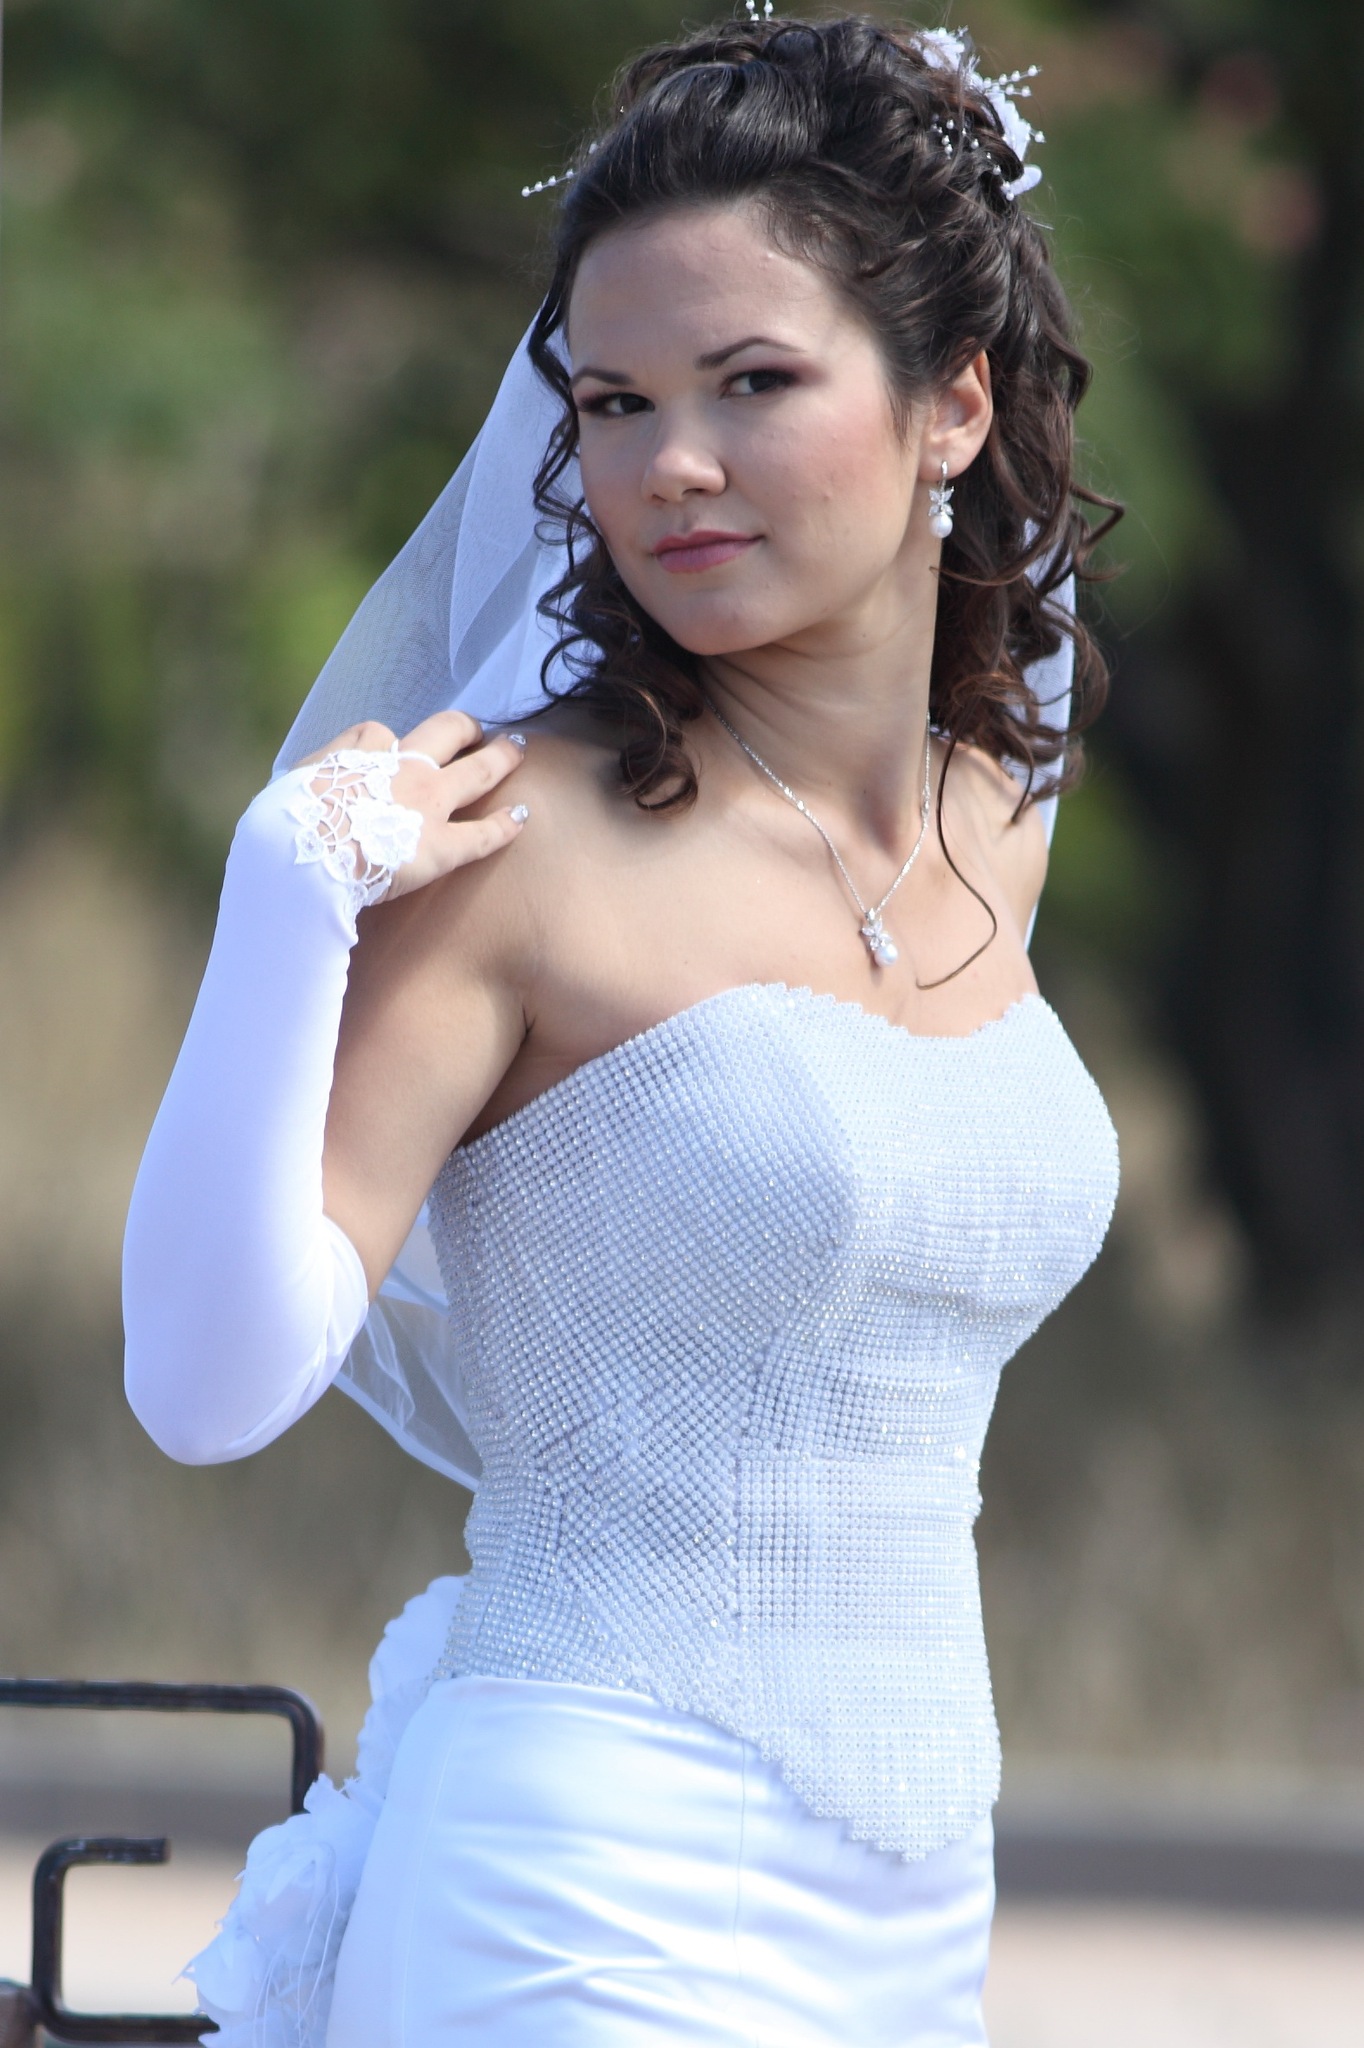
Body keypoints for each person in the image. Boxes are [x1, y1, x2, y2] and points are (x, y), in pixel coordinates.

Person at [122, 15, 1120, 2046]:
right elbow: (206, 1387)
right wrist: (281, 896)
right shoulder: (518, 846)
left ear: (950, 403)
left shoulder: (1001, 816)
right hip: (581, 1883)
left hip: (922, 1909)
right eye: (613, 401)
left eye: (753, 383)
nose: (670, 465)